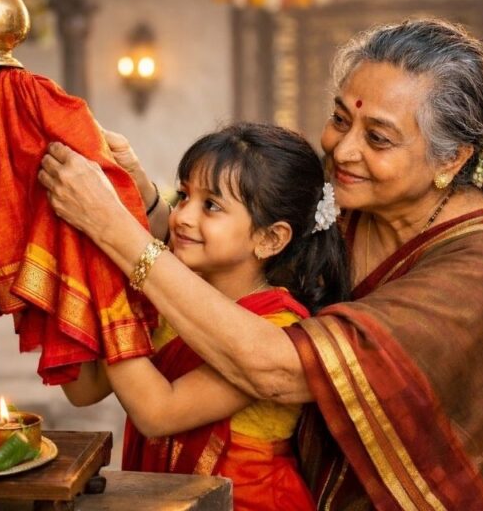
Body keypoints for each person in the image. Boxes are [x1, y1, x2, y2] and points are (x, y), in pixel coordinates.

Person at [39, 18, 483, 510]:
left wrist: (117, 235)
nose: (343, 150)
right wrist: (140, 196)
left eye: (379, 138)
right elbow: (237, 256)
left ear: (453, 158)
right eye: (341, 119)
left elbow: (281, 368)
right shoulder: (348, 216)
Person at [51, 123, 349, 511]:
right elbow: (84, 389)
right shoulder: (173, 292)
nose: (182, 217)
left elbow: (158, 411)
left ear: (270, 238)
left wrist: (112, 260)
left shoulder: (276, 329)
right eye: (184, 194)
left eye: (211, 205)